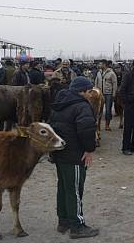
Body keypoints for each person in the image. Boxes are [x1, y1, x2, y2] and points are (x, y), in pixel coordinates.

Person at [48, 76, 99, 239]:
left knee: (63, 187)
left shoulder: (59, 103)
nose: (91, 94)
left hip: (60, 153)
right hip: (75, 154)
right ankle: (77, 226)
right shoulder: (82, 106)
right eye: (89, 91)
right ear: (81, 91)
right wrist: (89, 149)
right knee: (75, 189)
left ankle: (63, 221)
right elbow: (86, 129)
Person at [95, 60, 118, 131]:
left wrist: (114, 94)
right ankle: (98, 125)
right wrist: (96, 90)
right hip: (100, 93)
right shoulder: (99, 73)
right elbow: (96, 82)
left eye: (100, 64)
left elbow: (114, 84)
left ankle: (107, 125)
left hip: (108, 94)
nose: (99, 65)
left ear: (104, 64)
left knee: (108, 110)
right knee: (99, 110)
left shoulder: (111, 73)